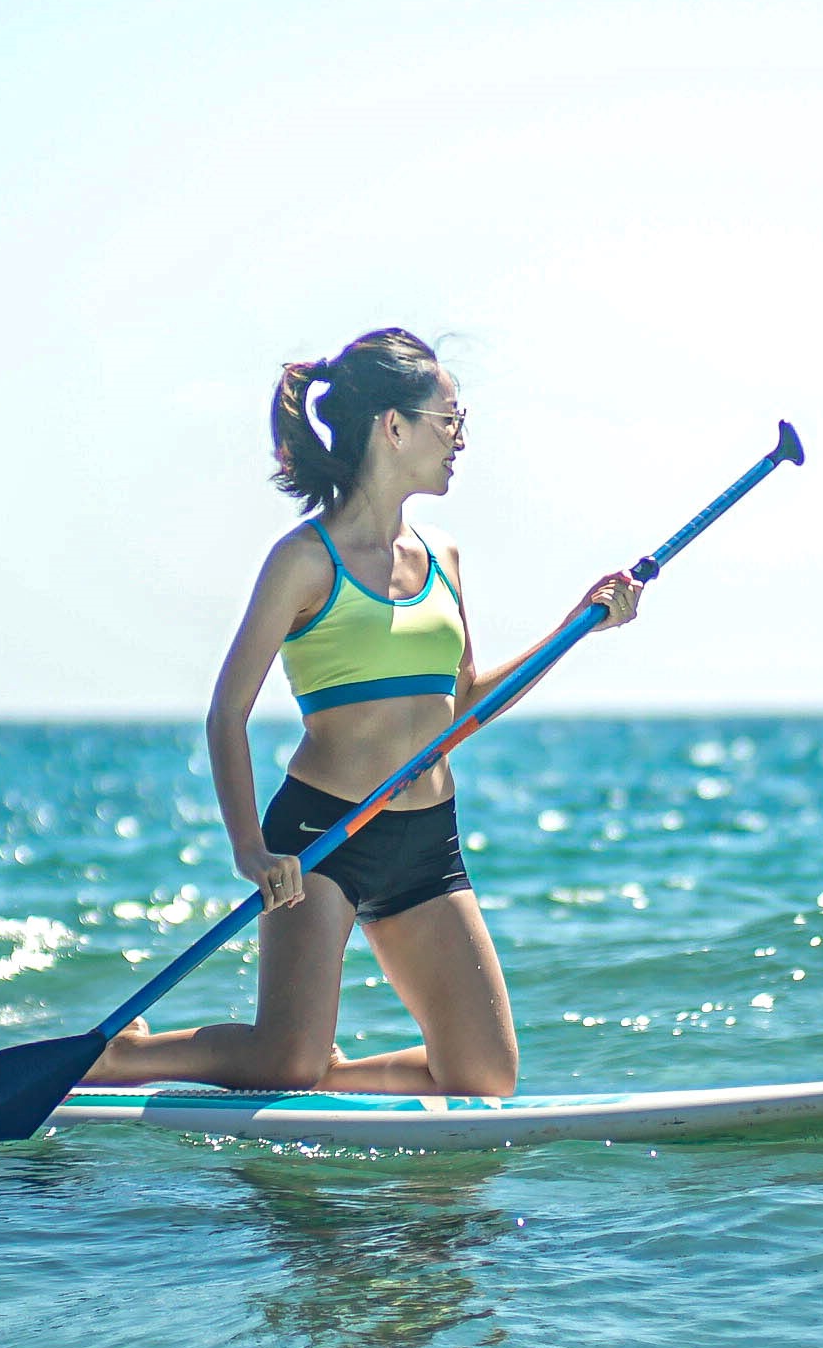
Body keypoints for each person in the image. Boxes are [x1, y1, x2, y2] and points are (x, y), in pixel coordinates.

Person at [87, 327, 638, 1098]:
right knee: (284, 1061)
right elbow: (227, 713)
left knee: (484, 1077)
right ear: (394, 426)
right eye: (451, 421)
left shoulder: (442, 556)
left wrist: (577, 627)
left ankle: (335, 1077)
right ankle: (120, 1057)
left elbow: (465, 702)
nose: (461, 440)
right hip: (323, 837)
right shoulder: (305, 560)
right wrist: (251, 850)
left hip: (427, 839)